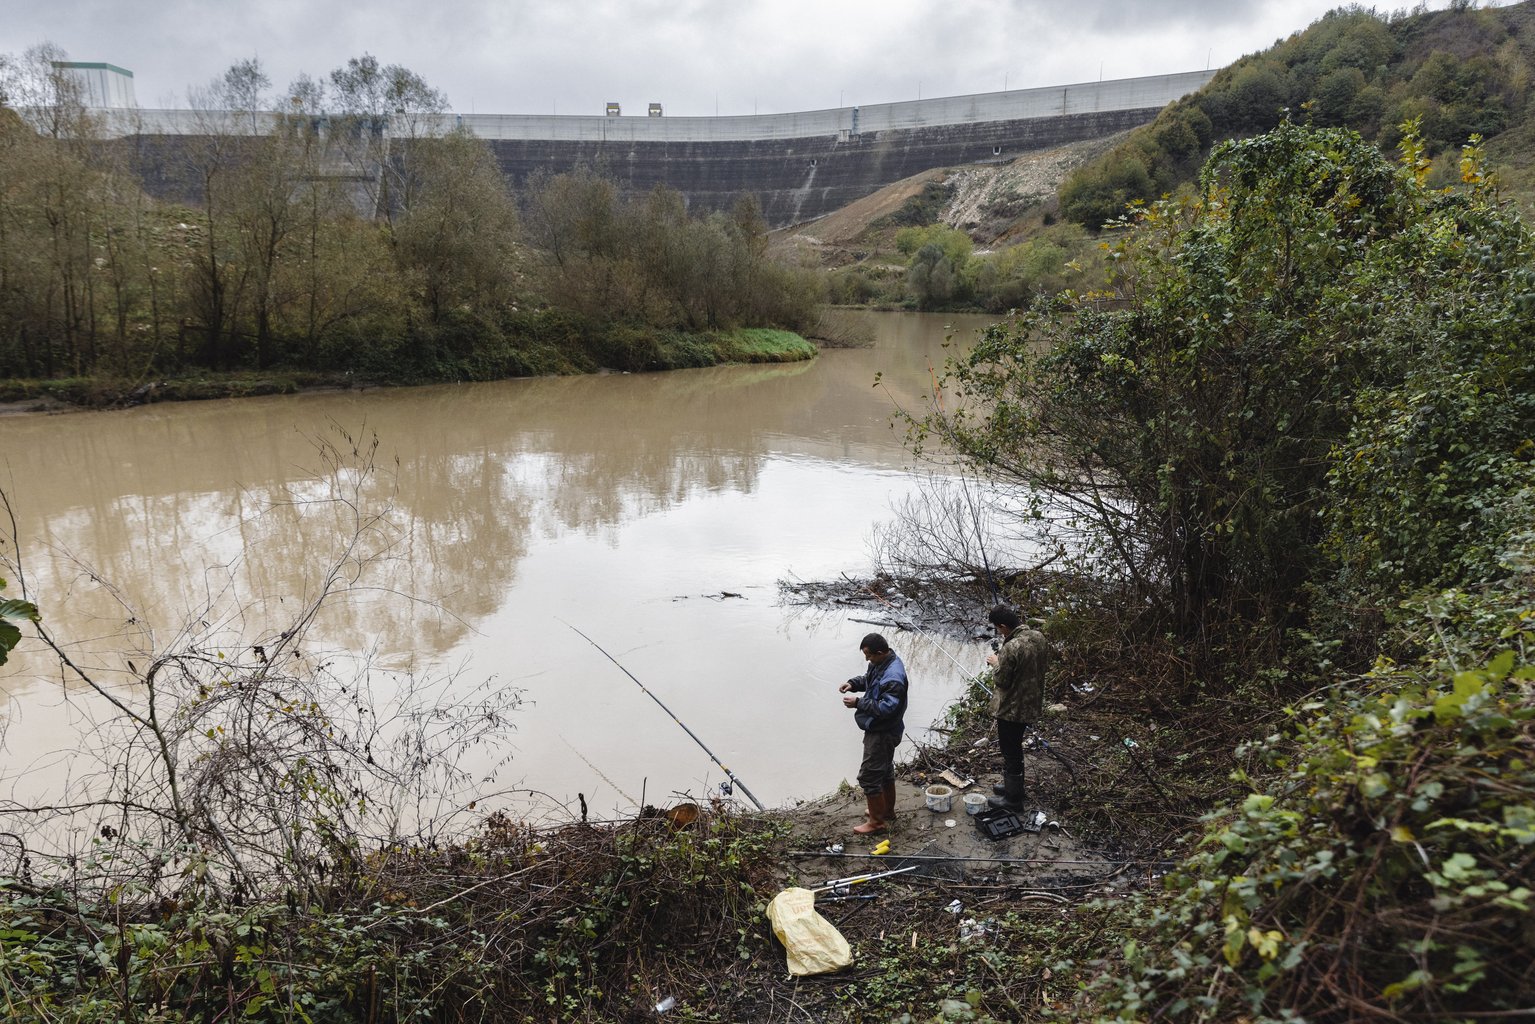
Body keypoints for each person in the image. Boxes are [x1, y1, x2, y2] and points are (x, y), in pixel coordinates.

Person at [838, 632, 907, 835]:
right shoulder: (881, 663)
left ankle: (876, 823)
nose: (867, 660)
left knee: (869, 776)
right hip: (881, 728)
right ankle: (886, 811)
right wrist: (853, 683)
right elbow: (869, 681)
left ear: (879, 652)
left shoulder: (893, 677)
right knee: (884, 771)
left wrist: (859, 702)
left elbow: (887, 708)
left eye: (869, 656)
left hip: (883, 731)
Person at [985, 604, 1049, 811]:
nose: (998, 631)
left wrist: (996, 662)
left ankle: (1013, 801)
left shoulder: (1012, 647)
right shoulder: (1038, 637)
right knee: (1015, 749)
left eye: (997, 628)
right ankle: (1015, 788)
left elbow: (1002, 680)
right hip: (1031, 703)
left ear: (1003, 625)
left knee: (1010, 751)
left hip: (1012, 710)